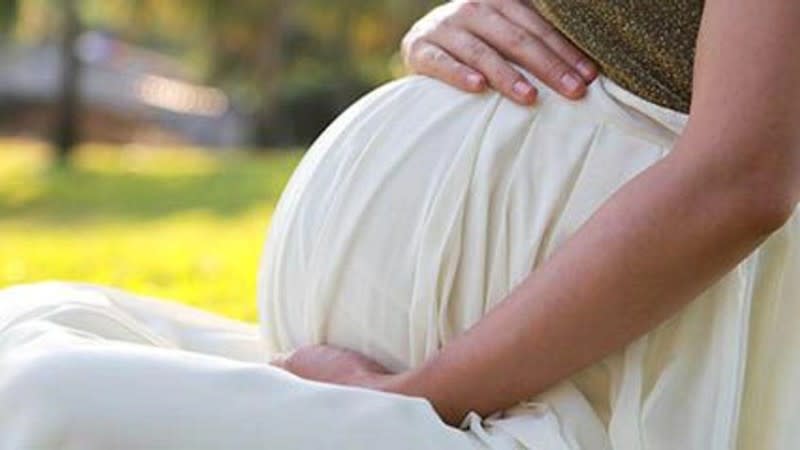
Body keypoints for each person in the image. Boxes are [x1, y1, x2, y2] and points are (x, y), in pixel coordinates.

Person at [1, 1, 798, 449]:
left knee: (51, 403)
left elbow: (744, 175)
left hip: (601, 385)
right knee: (24, 333)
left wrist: (416, 399)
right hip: (467, 375)